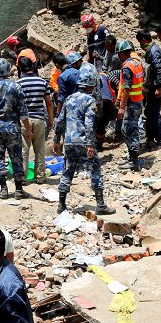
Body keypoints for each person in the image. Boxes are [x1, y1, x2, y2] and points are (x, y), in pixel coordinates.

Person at [54, 69, 109, 215]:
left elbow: (60, 121)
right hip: (84, 142)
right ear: (90, 87)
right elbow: (89, 124)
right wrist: (91, 144)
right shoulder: (90, 101)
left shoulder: (69, 99)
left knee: (67, 171)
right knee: (95, 170)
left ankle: (61, 204)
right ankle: (101, 205)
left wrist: (56, 140)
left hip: (69, 142)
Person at [0, 58, 33, 200]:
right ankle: (18, 190)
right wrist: (28, 130)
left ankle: (3, 189)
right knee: (16, 158)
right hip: (12, 129)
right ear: (7, 71)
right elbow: (23, 112)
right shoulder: (16, 87)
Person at [17, 56, 53, 184]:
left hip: (23, 121)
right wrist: (51, 119)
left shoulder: (18, 84)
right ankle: (41, 177)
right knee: (40, 149)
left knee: (24, 150)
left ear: (20, 69)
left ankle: (23, 177)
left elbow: (16, 104)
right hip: (39, 120)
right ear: (33, 67)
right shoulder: (42, 82)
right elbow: (49, 103)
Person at [115, 40, 146, 171]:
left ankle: (134, 161)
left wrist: (122, 107)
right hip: (138, 100)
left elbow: (127, 88)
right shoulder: (137, 63)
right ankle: (132, 158)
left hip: (132, 102)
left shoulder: (127, 67)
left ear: (122, 53)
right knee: (130, 129)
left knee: (128, 130)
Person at [138, 30, 161, 149]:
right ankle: (151, 138)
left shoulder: (154, 51)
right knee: (149, 111)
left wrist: (158, 87)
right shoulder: (151, 50)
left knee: (154, 112)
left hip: (158, 86)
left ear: (144, 40)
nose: (140, 45)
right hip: (154, 85)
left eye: (140, 42)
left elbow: (160, 69)